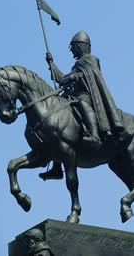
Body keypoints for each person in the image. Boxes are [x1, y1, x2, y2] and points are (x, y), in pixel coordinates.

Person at [39, 30, 124, 180]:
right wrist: (51, 64)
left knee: (83, 104)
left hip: (86, 95)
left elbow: (90, 74)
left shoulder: (91, 60)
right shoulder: (77, 64)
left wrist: (75, 76)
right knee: (57, 122)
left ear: (81, 46)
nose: (72, 50)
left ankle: (94, 134)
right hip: (72, 96)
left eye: (73, 47)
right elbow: (62, 79)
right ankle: (56, 167)